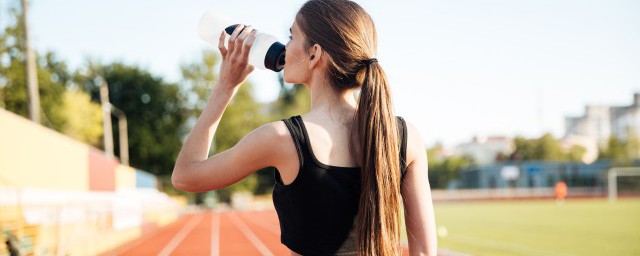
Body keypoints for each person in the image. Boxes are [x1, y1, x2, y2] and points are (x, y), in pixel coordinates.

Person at [172, 0, 437, 255]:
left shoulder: (281, 139)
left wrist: (225, 87)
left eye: (291, 36)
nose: (284, 48)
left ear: (314, 54)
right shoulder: (405, 137)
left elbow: (184, 176)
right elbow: (425, 252)